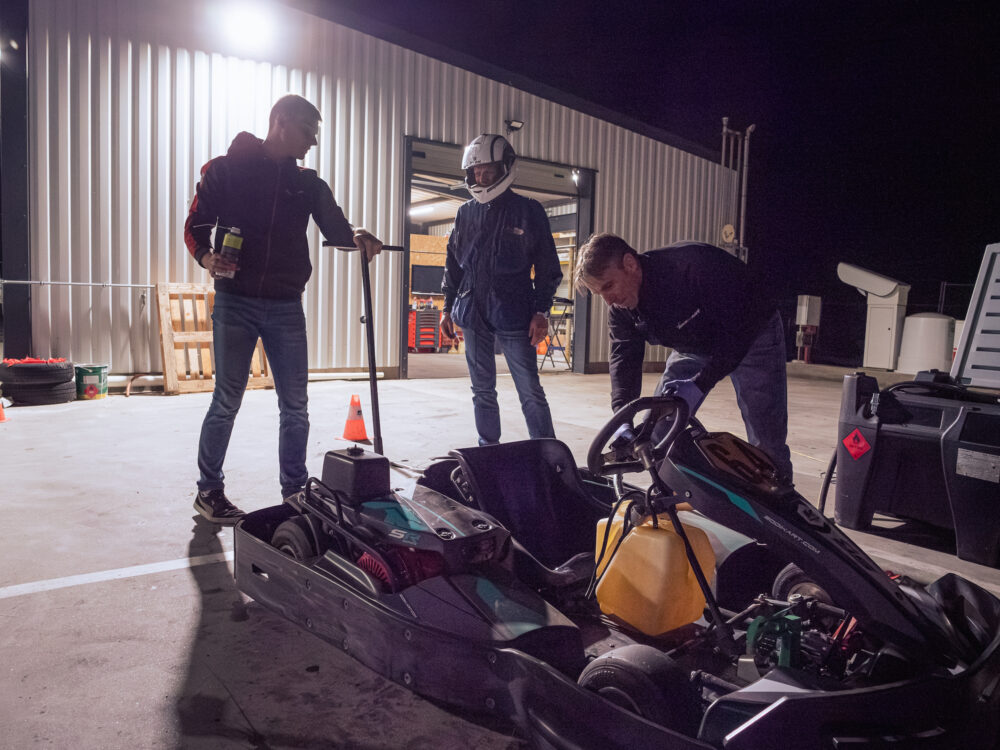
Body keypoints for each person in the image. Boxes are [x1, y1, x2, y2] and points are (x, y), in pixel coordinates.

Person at [185, 94, 383, 524]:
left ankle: (294, 492)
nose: (313, 141)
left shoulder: (308, 184)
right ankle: (209, 490)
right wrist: (205, 257)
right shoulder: (225, 169)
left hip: (285, 306)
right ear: (280, 123)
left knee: (295, 405)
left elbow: (338, 229)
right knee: (227, 399)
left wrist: (360, 236)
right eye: (308, 131)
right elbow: (196, 225)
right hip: (235, 302)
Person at [576, 232, 793, 483]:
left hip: (752, 332)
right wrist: (622, 416)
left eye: (608, 286)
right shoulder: (620, 309)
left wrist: (700, 383)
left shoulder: (693, 267)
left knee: (765, 435)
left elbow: (737, 333)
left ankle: (780, 496)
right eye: (599, 294)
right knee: (657, 429)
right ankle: (668, 496)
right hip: (692, 345)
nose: (608, 301)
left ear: (630, 264)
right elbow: (624, 359)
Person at [441, 133, 562, 445]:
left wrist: (541, 311)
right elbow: (453, 265)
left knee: (529, 389)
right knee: (481, 390)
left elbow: (548, 267)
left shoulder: (528, 210)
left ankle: (546, 454)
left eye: (488, 171)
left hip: (515, 312)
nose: (481, 177)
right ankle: (488, 451)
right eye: (476, 171)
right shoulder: (465, 213)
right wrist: (447, 308)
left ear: (505, 168)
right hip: (472, 311)